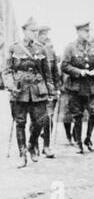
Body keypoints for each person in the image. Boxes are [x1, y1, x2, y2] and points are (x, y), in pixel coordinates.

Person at [3, 17, 54, 168]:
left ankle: (32, 144)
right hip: (19, 90)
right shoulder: (14, 48)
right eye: (32, 31)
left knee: (41, 121)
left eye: (36, 31)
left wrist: (51, 91)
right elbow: (6, 71)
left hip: (38, 90)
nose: (34, 33)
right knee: (20, 123)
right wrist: (11, 85)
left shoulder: (41, 48)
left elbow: (47, 73)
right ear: (24, 31)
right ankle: (22, 154)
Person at [61, 22, 94, 154]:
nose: (87, 33)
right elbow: (64, 66)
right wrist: (79, 72)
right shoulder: (70, 47)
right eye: (85, 31)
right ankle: (78, 142)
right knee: (77, 115)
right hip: (76, 86)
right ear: (78, 32)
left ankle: (88, 138)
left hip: (92, 86)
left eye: (88, 31)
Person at [30, 25, 60, 158]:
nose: (45, 37)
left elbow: (54, 73)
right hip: (35, 91)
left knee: (48, 118)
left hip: (49, 91)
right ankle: (34, 143)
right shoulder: (31, 51)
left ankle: (46, 146)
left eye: (46, 35)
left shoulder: (50, 51)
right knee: (36, 120)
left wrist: (56, 89)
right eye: (42, 35)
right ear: (36, 35)